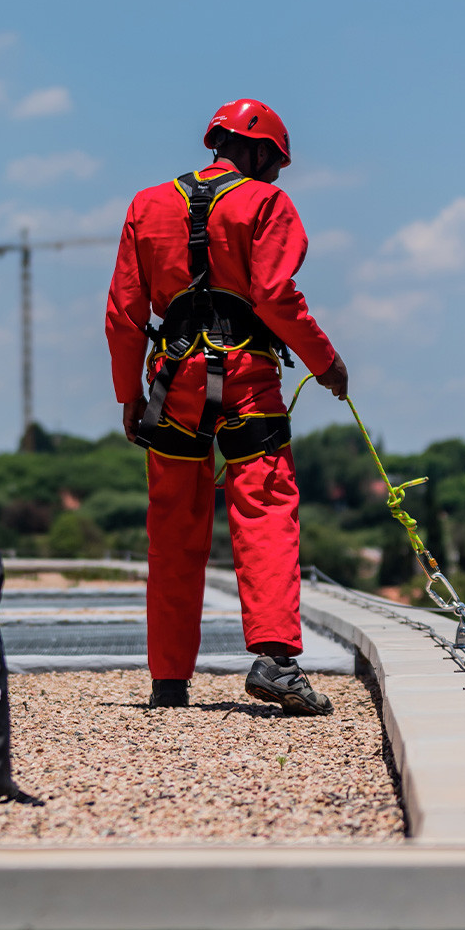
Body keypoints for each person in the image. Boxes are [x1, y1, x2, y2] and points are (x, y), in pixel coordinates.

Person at [104, 98, 349, 716]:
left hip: (171, 380)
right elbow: (272, 294)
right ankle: (274, 662)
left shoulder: (147, 204)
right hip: (245, 375)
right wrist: (325, 363)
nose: (276, 174)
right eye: (276, 163)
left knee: (173, 525)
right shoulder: (266, 204)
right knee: (264, 504)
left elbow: (125, 313)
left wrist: (129, 395)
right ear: (261, 151)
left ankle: (168, 681)